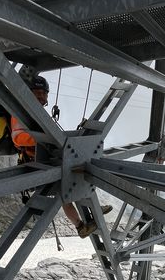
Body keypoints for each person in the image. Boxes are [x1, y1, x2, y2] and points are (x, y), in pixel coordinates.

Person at [11, 72, 112, 237]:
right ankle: (82, 223)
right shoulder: (20, 113)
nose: (42, 96)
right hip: (35, 163)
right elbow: (18, 138)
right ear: (29, 93)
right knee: (68, 185)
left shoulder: (37, 114)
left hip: (45, 159)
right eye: (38, 93)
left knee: (73, 178)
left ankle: (85, 220)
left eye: (44, 93)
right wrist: (44, 139)